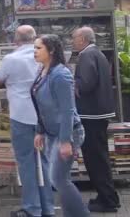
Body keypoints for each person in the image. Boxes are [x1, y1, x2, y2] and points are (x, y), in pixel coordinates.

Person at [0, 25, 54, 217]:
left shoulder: (11, 59)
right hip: (44, 115)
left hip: (22, 116)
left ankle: (31, 208)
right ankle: (48, 208)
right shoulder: (45, 56)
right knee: (44, 161)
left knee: (26, 162)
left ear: (16, 40)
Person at [32, 34, 89, 217]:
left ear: (52, 50)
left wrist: (65, 141)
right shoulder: (42, 71)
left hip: (67, 132)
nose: (34, 52)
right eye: (34, 47)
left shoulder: (61, 75)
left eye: (38, 48)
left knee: (58, 178)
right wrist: (40, 131)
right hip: (51, 132)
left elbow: (67, 110)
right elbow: (40, 106)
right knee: (59, 179)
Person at [72, 26, 120, 212]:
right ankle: (107, 196)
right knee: (99, 156)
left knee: (95, 158)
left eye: (74, 38)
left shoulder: (86, 56)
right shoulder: (97, 54)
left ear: (83, 39)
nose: (72, 41)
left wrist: (72, 83)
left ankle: (107, 201)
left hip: (92, 114)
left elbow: (85, 84)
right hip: (99, 113)